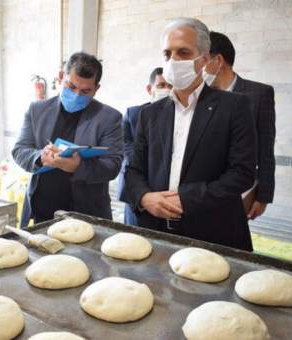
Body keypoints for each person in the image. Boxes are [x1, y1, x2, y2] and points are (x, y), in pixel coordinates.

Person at [125, 17, 257, 251]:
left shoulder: (234, 107)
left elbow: (242, 173)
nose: (173, 60)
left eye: (183, 52)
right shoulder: (150, 114)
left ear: (204, 59)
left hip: (212, 231)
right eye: (167, 54)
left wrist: (188, 198)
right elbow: (134, 170)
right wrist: (145, 197)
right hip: (155, 230)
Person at [12, 52, 123, 227]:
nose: (77, 95)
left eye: (85, 91)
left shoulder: (109, 118)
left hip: (87, 213)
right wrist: (40, 156)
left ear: (96, 89)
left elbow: (113, 166)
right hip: (42, 210)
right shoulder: (37, 110)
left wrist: (78, 167)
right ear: (61, 77)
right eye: (71, 86)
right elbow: (19, 149)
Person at [204, 31, 275, 220]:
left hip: (242, 189)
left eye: (201, 58)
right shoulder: (200, 96)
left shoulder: (259, 94)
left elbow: (266, 148)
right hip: (204, 190)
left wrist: (264, 196)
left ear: (217, 60)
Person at [118, 67, 172, 225]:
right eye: (162, 85)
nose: (167, 90)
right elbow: (126, 147)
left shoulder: (181, 117)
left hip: (169, 191)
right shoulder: (134, 114)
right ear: (150, 89)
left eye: (170, 86)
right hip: (138, 187)